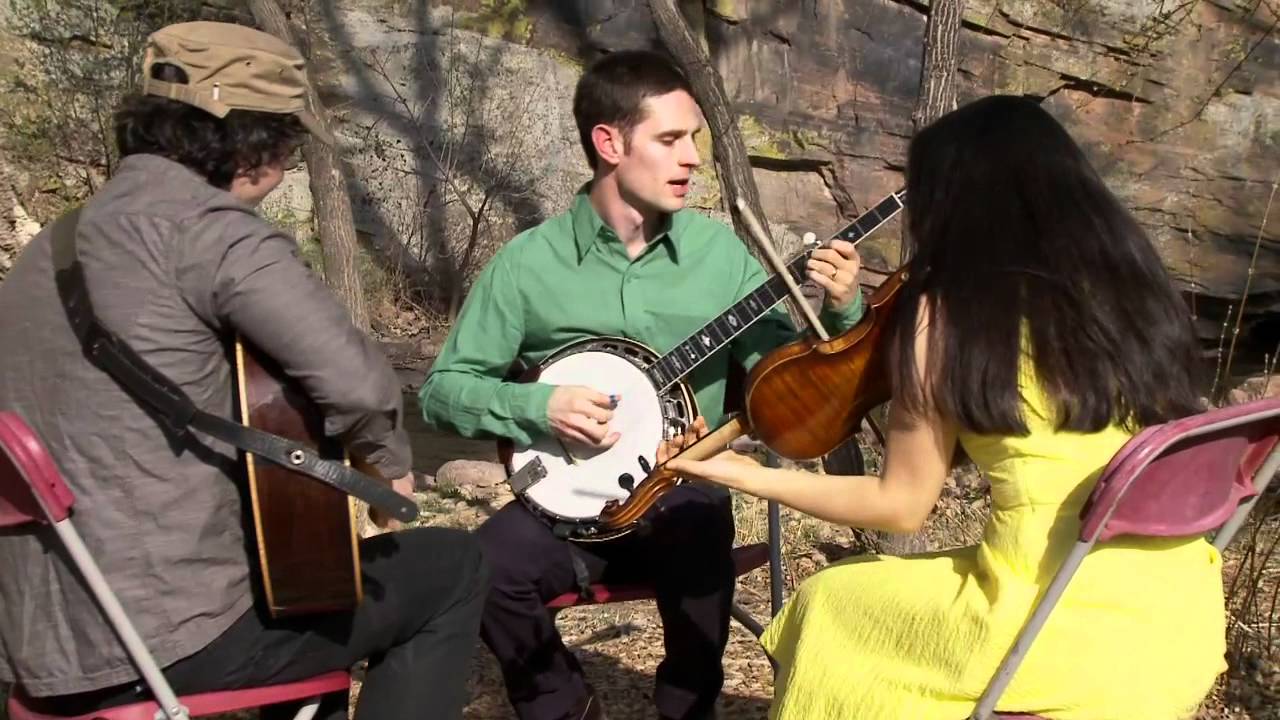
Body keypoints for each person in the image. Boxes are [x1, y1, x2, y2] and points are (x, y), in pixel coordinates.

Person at [665, 94, 1226, 719]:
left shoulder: (949, 314)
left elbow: (899, 507)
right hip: (1178, 627)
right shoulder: (1137, 293)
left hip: (1048, 633)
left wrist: (740, 472)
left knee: (827, 602)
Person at [0, 21, 487, 720]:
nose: (286, 163)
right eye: (287, 142)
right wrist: (387, 469)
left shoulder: (49, 248)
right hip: (166, 645)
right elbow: (360, 384)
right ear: (254, 141)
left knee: (308, 568)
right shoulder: (210, 232)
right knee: (449, 568)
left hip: (34, 643)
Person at [418, 49, 865, 720]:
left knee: (697, 523)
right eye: (670, 139)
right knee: (484, 569)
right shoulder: (528, 264)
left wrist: (841, 309)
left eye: (694, 139)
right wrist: (538, 407)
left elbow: (794, 379)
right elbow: (442, 391)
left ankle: (688, 707)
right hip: (568, 511)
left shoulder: (720, 257)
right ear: (609, 143)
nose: (692, 158)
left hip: (683, 495)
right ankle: (564, 705)